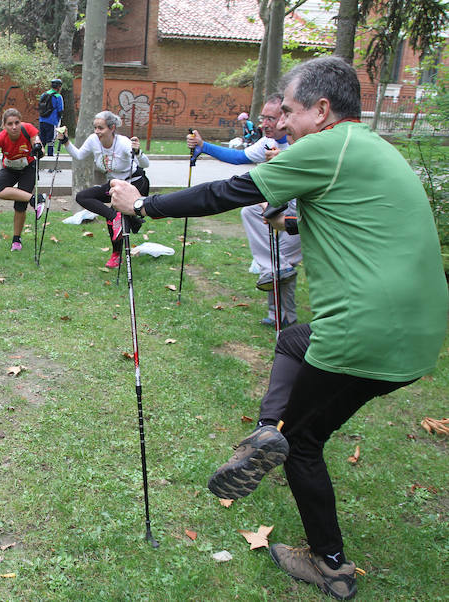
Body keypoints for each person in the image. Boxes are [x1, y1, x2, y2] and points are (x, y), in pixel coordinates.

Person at [110, 56, 447, 600]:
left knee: (304, 442)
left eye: (287, 111)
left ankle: (330, 564)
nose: (281, 123)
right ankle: (265, 435)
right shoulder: (372, 147)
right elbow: (354, 213)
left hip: (366, 328)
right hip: (418, 333)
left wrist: (144, 202)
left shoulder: (324, 146)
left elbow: (230, 192)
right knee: (293, 339)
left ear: (321, 109)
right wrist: (293, 219)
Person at [187, 94, 302, 327]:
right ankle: (280, 314)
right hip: (278, 207)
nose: (264, 124)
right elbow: (238, 157)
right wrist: (203, 146)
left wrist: (285, 159)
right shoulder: (266, 142)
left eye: (271, 118)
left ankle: (283, 314)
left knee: (281, 262)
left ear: (286, 117)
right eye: (263, 118)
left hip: (303, 214)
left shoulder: (301, 143)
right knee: (276, 260)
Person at [56, 110, 150, 268]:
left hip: (134, 182)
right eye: (95, 128)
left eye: (101, 128)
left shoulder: (123, 143)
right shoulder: (93, 140)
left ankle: (117, 254)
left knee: (119, 217)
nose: (97, 132)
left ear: (112, 128)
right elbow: (79, 155)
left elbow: (145, 164)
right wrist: (65, 141)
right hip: (114, 183)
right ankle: (117, 218)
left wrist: (138, 152)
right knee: (83, 197)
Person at [0, 107, 46, 251]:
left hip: (28, 168)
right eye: (10, 124)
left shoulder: (28, 129)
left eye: (17, 122)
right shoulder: (0, 138)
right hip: (10, 169)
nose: (14, 127)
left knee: (20, 205)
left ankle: (16, 240)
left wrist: (38, 150)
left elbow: (40, 148)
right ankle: (35, 199)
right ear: (4, 126)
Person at [38, 78, 64, 158]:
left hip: (42, 120)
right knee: (51, 140)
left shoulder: (44, 94)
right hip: (52, 121)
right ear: (59, 87)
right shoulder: (58, 96)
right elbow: (60, 110)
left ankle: (39, 156)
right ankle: (50, 158)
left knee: (42, 140)